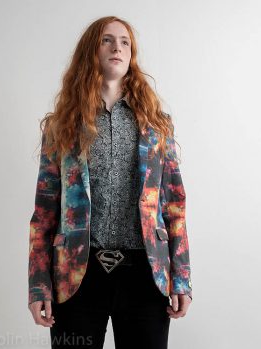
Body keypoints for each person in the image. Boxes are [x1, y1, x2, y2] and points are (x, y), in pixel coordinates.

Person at [27, 16, 192, 349]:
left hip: (146, 274)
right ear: (92, 50)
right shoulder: (63, 126)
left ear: (132, 55)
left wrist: (182, 279)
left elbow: (174, 206)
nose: (117, 47)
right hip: (77, 275)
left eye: (125, 42)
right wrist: (38, 286)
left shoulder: (157, 125)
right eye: (107, 40)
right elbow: (44, 212)